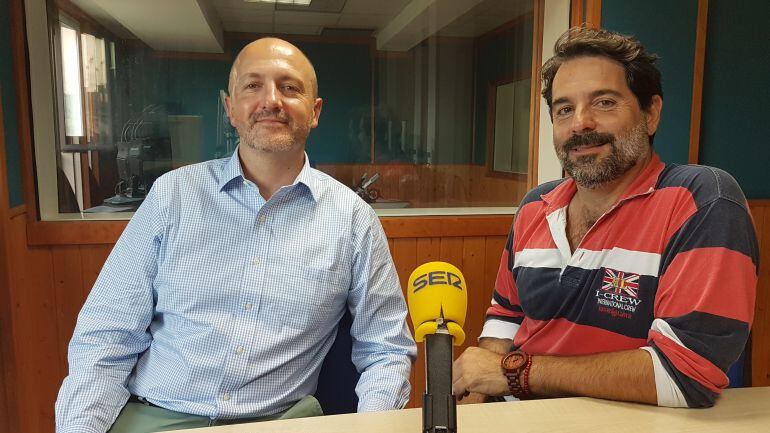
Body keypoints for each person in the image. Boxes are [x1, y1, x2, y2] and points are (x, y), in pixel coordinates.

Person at [55, 37, 416, 433]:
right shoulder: (173, 196)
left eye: (290, 87)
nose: (271, 100)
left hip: (280, 421)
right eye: (253, 85)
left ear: (315, 112)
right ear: (230, 107)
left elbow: (386, 349)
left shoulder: (353, 220)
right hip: (157, 416)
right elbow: (106, 336)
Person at [452, 27, 758, 408]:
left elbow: (686, 375)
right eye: (564, 109)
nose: (580, 123)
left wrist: (517, 373)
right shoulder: (534, 206)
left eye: (604, 103)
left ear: (651, 114)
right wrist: (477, 398)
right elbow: (506, 314)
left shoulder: (701, 200)